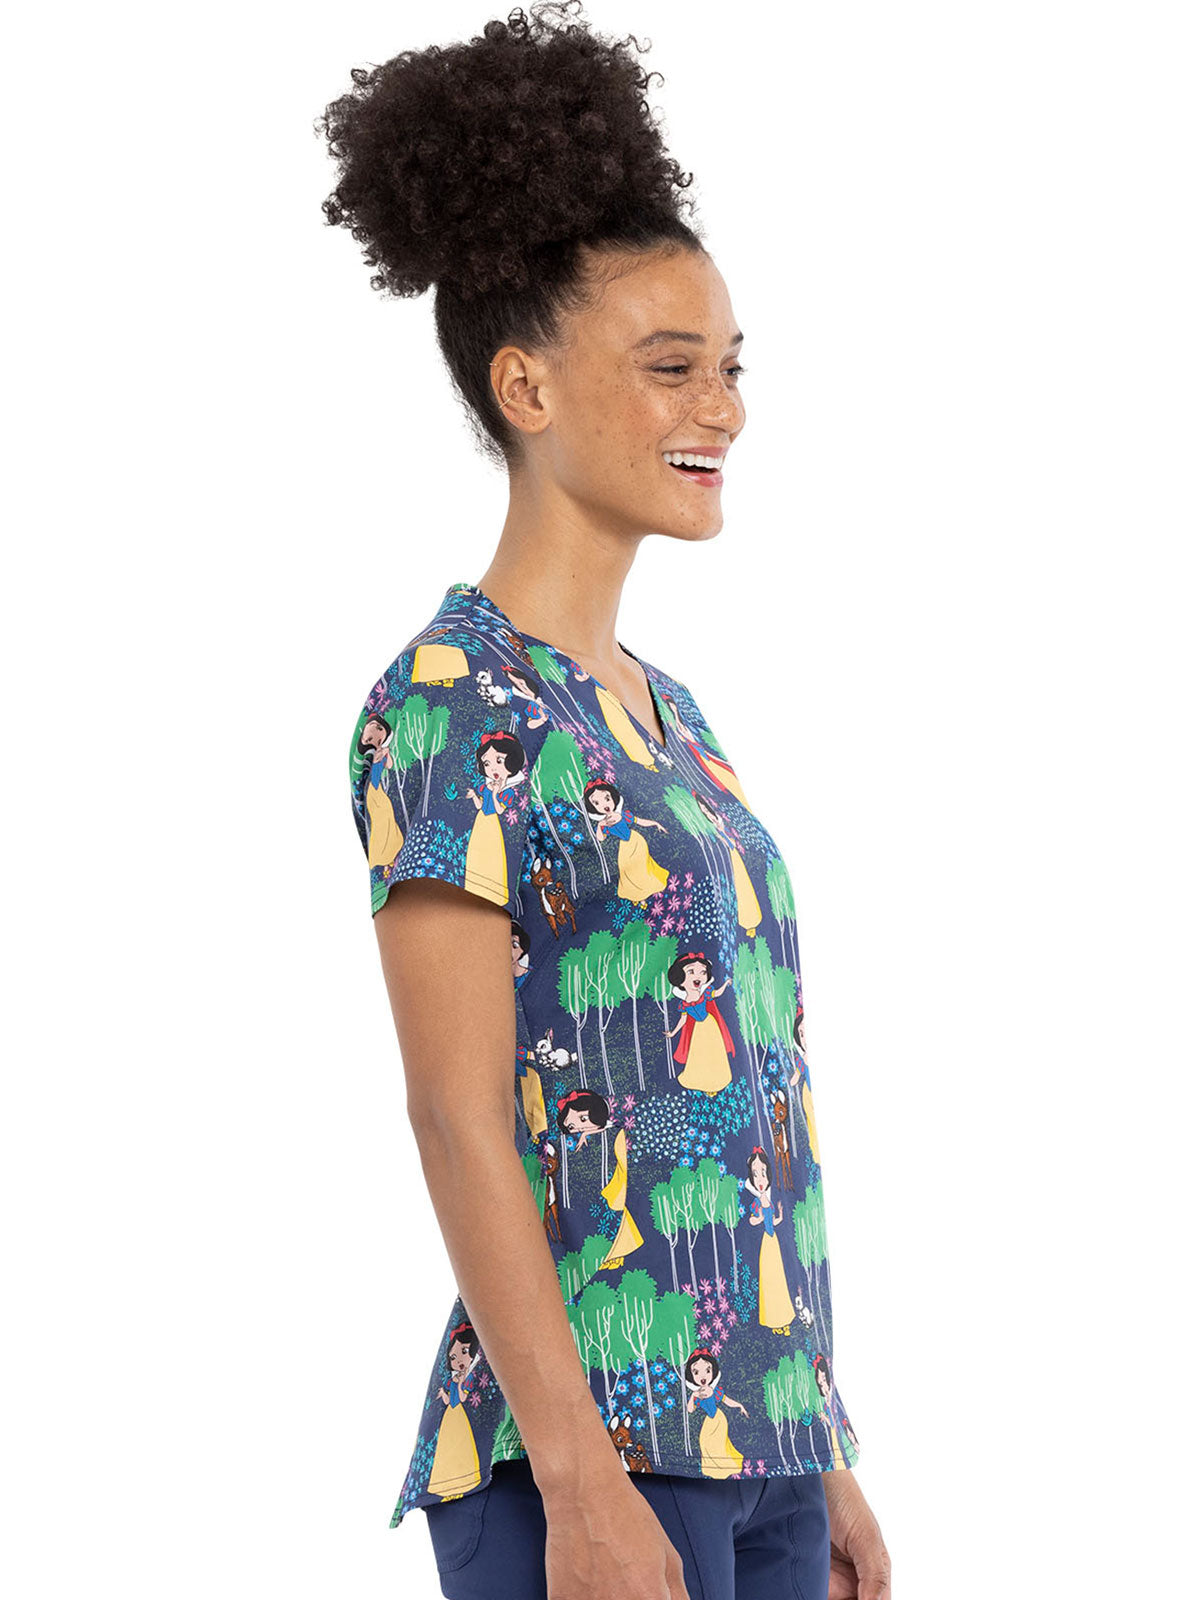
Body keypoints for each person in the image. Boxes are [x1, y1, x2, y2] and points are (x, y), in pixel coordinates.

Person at [320, 5, 892, 1598]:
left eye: (731, 369)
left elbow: (746, 1094)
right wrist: (577, 1479)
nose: (724, 408)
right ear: (526, 384)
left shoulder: (672, 719)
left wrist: (818, 1448)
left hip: (759, 1449)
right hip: (588, 1460)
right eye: (669, 369)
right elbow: (456, 1114)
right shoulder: (449, 702)